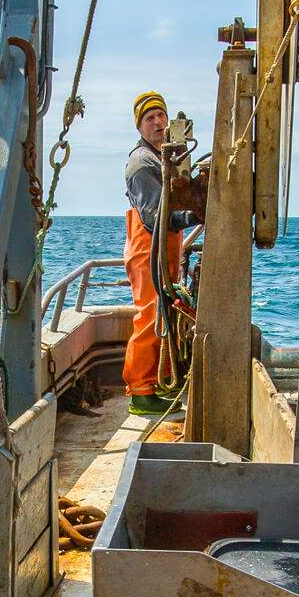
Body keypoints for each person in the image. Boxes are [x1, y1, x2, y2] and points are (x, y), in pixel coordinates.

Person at [122, 91, 184, 415]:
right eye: (150, 118)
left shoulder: (163, 156)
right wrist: (191, 216)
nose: (158, 122)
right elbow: (153, 216)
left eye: (161, 115)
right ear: (140, 127)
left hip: (162, 247)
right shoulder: (142, 162)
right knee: (148, 317)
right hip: (148, 246)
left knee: (163, 313)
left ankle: (157, 381)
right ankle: (141, 393)